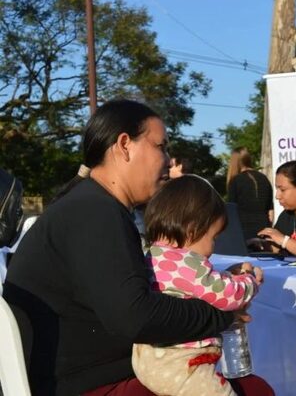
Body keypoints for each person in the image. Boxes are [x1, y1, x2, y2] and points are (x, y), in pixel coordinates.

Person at [2, 100, 237, 395]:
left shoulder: (90, 204)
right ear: (125, 145)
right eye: (161, 146)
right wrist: (223, 315)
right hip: (83, 385)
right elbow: (135, 317)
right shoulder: (94, 211)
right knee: (254, 388)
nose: (167, 159)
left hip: (85, 377)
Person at [132, 175, 263, 396]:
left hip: (148, 358)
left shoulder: (151, 254)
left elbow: (192, 286)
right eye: (214, 237)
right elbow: (229, 296)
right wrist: (250, 281)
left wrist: (226, 274)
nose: (213, 247)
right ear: (193, 229)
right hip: (182, 364)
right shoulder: (190, 261)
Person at [226, 147, 274, 241]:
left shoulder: (235, 180)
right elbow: (271, 212)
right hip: (263, 230)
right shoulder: (264, 178)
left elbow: (231, 210)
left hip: (242, 231)